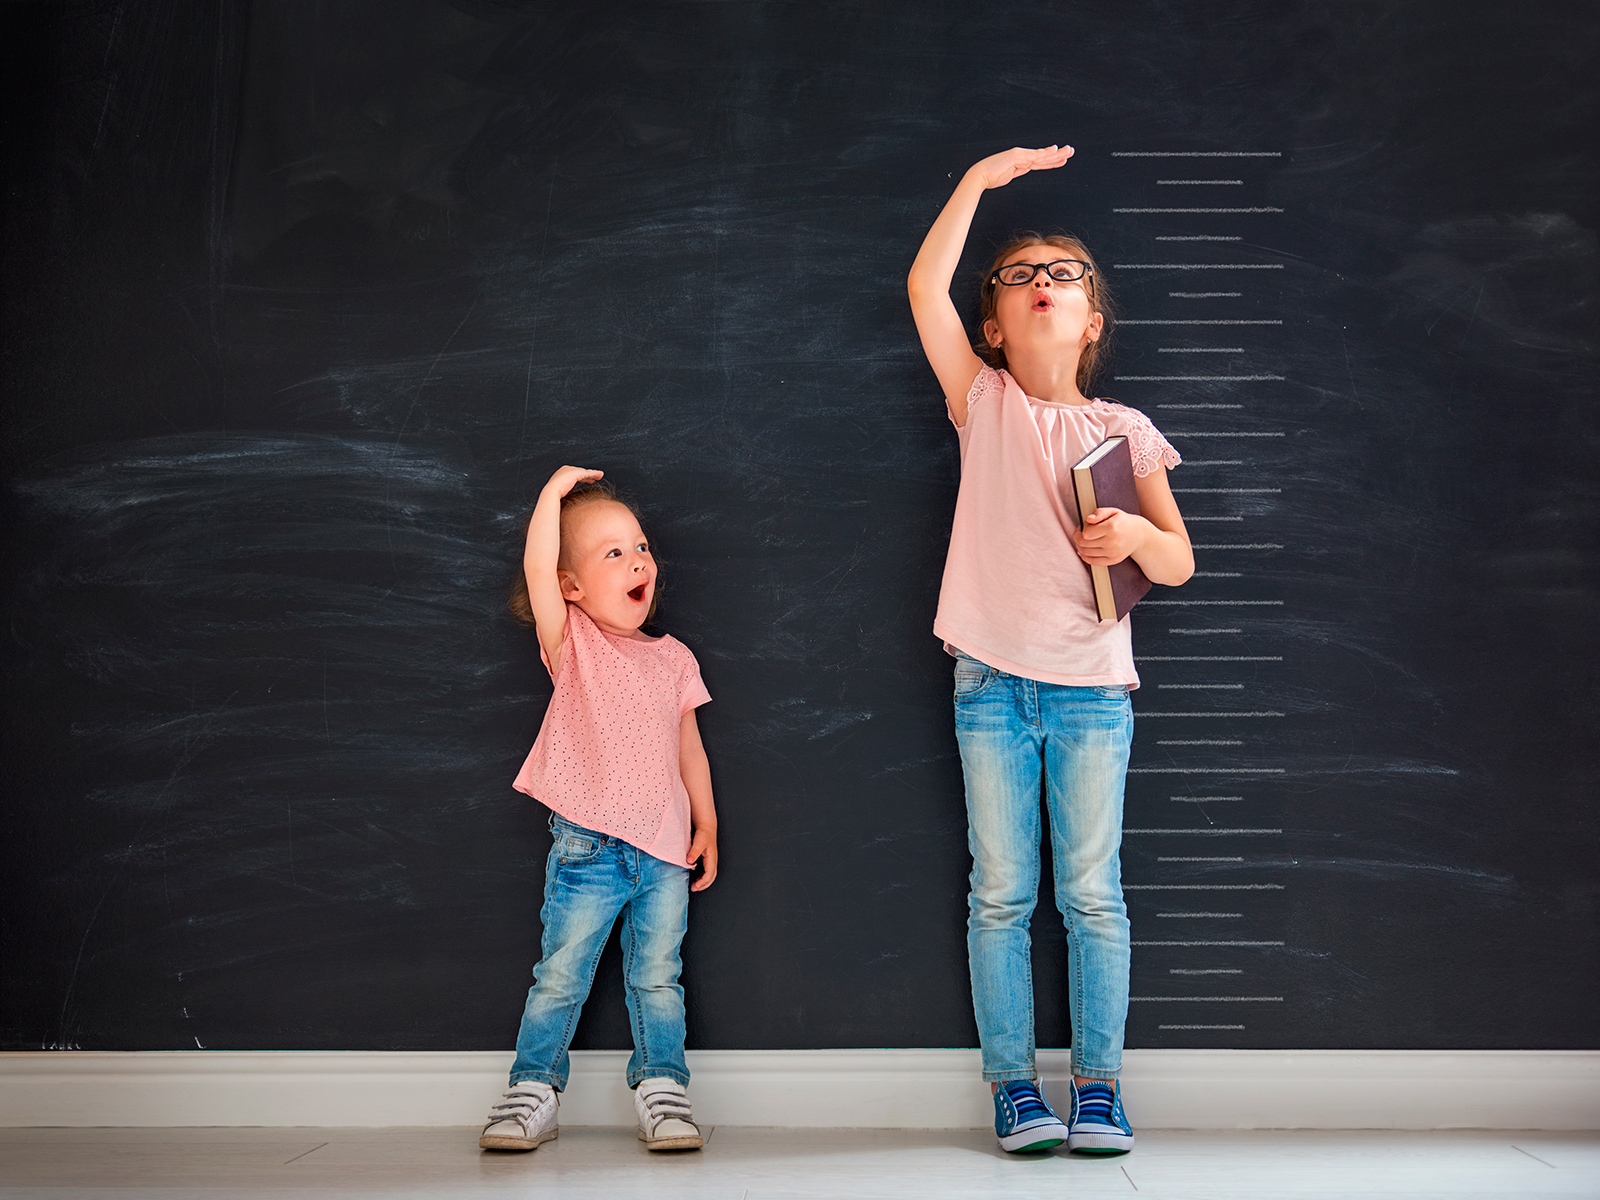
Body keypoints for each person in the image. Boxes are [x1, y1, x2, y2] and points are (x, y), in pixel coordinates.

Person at [907, 145, 1194, 1155]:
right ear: (993, 322)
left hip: (1089, 689)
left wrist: (1132, 540)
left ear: (1091, 321)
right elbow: (919, 284)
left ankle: (1101, 1087)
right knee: (1000, 893)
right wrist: (978, 182)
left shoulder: (1121, 428)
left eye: (1060, 274)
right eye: (1019, 274)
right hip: (986, 679)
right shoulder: (980, 400)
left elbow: (1180, 560)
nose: (1039, 282)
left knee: (1089, 894)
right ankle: (1014, 1091)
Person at [479, 466, 718, 1154]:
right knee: (560, 974)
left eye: (639, 546)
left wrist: (705, 824)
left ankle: (664, 1089)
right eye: (612, 552)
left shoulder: (674, 658)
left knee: (657, 978)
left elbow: (690, 752)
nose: (637, 560)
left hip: (665, 853)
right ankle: (532, 1090)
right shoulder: (573, 644)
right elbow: (535, 563)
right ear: (570, 587)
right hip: (587, 850)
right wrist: (553, 497)